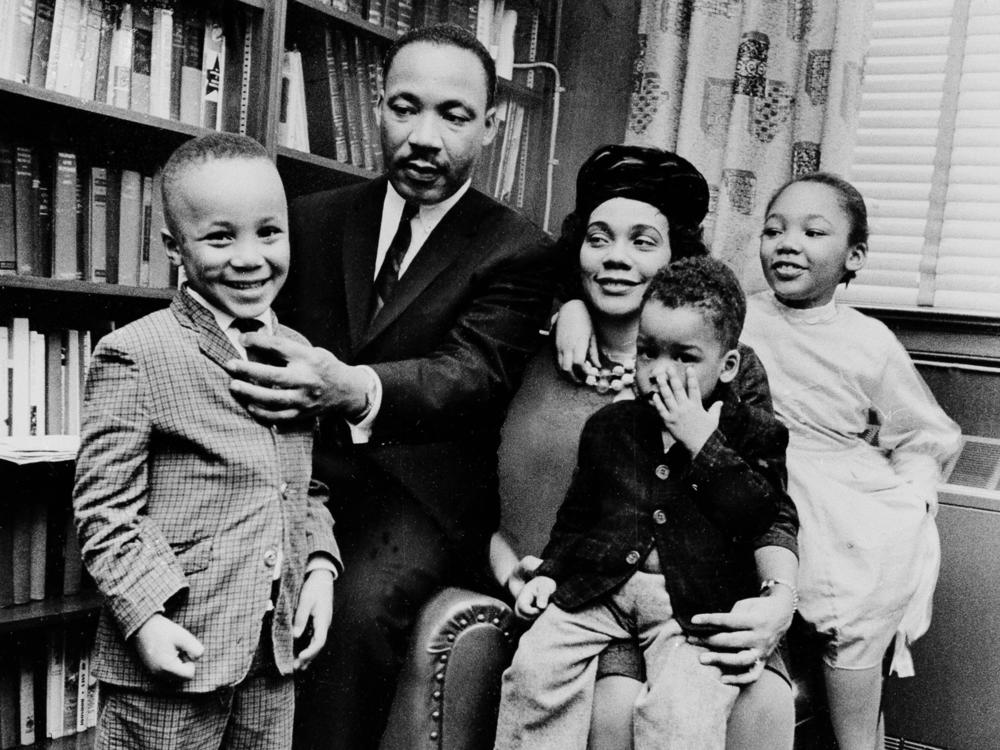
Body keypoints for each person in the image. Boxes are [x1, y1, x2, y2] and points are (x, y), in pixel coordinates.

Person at [221, 24, 557, 750]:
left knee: (347, 615)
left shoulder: (519, 249)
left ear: (492, 126)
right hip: (289, 474)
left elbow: (473, 374)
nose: (424, 136)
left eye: (453, 115)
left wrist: (354, 388)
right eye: (405, 108)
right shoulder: (309, 217)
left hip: (416, 499)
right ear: (377, 106)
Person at [500, 144, 797, 750]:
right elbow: (550, 513)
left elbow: (768, 510)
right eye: (599, 238)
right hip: (588, 595)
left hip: (691, 597)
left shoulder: (732, 379)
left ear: (674, 259)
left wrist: (779, 597)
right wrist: (567, 310)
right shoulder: (543, 350)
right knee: (554, 684)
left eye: (643, 241)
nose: (615, 259)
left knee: (665, 711)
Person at [72, 132, 341, 750]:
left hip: (271, 664)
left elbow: (302, 484)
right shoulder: (135, 354)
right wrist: (144, 619)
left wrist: (320, 570)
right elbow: (103, 513)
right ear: (174, 247)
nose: (250, 258)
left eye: (269, 233)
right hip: (174, 659)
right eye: (221, 237)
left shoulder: (300, 355)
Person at [743, 172, 961, 750]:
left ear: (854, 257)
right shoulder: (737, 316)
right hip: (751, 484)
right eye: (774, 230)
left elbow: (924, 432)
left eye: (814, 232)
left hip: (838, 502)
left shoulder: (868, 340)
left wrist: (915, 494)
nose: (788, 243)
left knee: (853, 624)